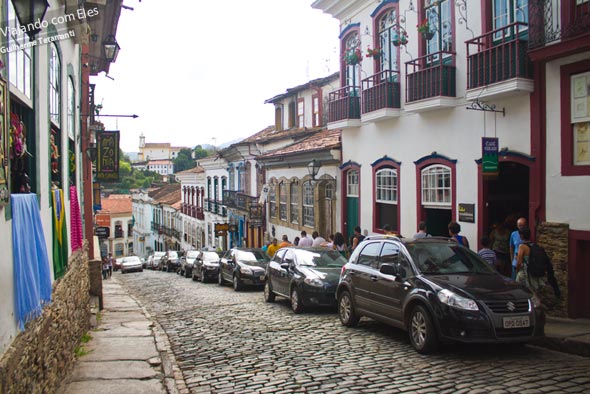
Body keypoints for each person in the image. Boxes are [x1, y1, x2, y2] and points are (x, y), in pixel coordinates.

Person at [515, 226, 545, 293]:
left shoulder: (522, 246)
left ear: (522, 235)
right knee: (533, 292)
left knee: (519, 290)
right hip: (533, 272)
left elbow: (519, 262)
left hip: (525, 272)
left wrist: (517, 271)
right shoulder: (533, 245)